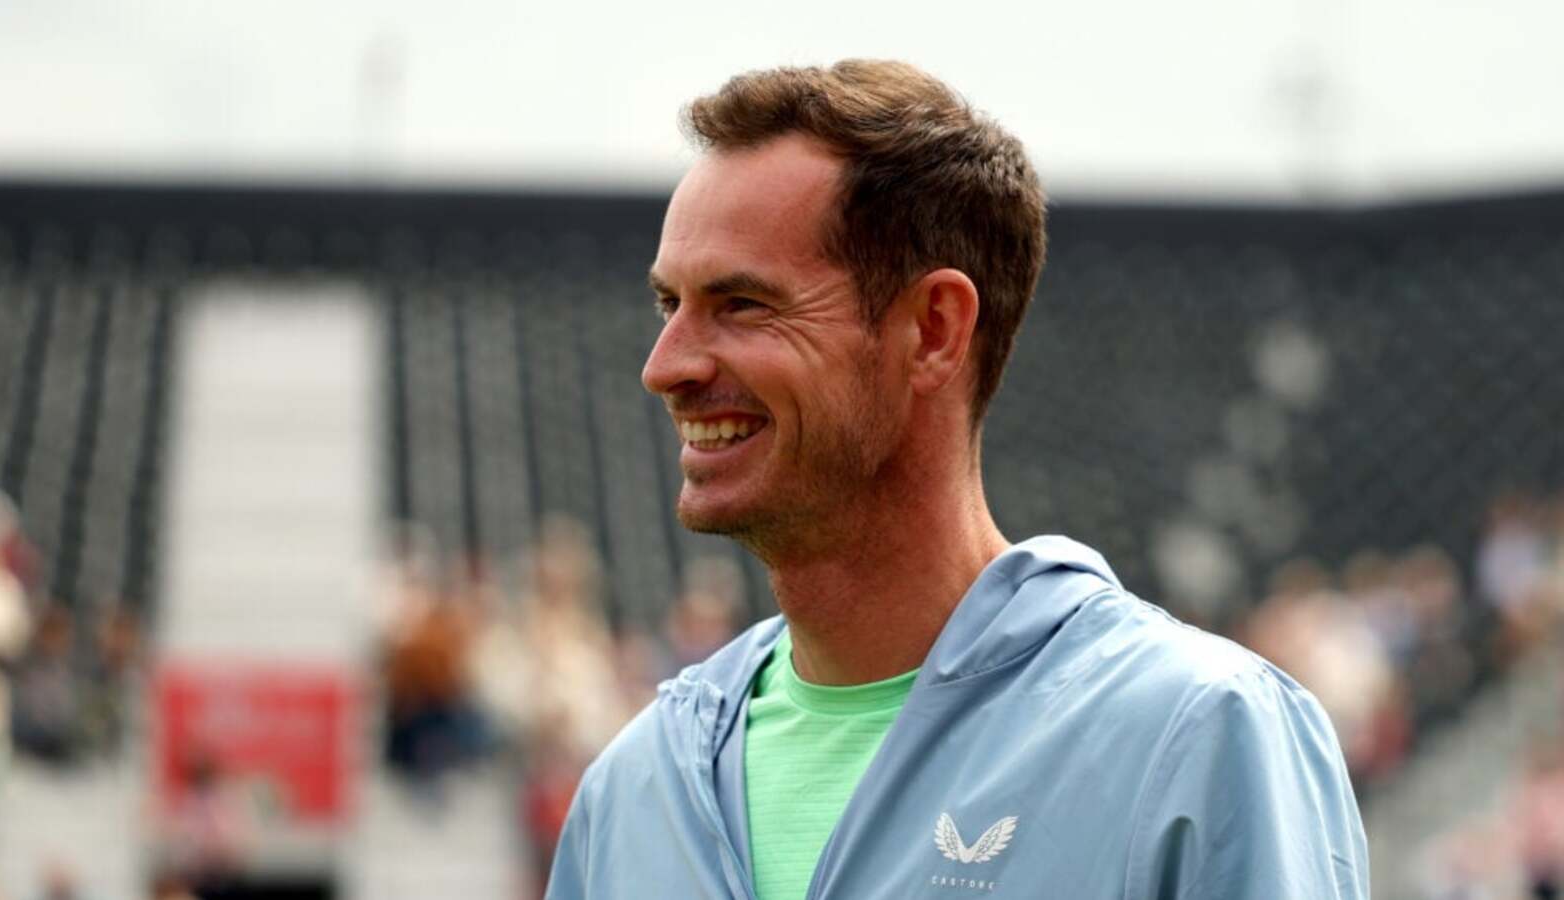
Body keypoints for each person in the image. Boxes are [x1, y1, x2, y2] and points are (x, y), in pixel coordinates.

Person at [546, 60, 1368, 899]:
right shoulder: (632, 791)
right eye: (669, 305)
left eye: (743, 305)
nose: (665, 367)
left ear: (934, 331)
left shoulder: (1195, 736)